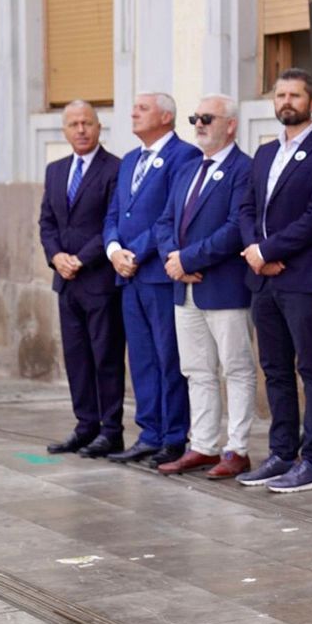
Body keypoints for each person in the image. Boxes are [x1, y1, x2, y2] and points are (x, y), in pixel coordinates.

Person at [235, 68, 312, 493]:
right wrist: (254, 251)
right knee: (275, 369)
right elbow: (246, 208)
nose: (286, 101)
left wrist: (268, 251)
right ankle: (281, 454)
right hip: (263, 281)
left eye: (295, 95)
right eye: (280, 95)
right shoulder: (265, 152)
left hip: (304, 279)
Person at [152, 94, 257, 479]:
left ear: (230, 124)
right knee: (196, 370)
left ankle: (237, 449)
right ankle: (204, 445)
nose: (198, 124)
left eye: (207, 118)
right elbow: (164, 221)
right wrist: (173, 260)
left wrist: (189, 260)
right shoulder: (187, 169)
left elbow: (235, 228)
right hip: (185, 288)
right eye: (195, 118)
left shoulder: (243, 169)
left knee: (236, 368)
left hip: (225, 287)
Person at [102, 92, 201, 468]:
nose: (133, 113)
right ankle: (149, 433)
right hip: (128, 277)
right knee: (142, 358)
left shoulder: (184, 156)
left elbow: (169, 215)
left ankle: (174, 437)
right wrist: (114, 250)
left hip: (158, 274)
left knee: (168, 357)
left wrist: (136, 254)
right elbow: (114, 213)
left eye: (142, 109)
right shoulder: (129, 159)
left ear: (165, 117)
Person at [39, 100, 126, 459]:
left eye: (87, 123)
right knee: (76, 357)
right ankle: (85, 425)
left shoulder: (115, 168)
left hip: (99, 280)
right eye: (73, 124)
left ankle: (111, 430)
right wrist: (56, 256)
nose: (81, 130)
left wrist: (81, 258)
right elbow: (47, 222)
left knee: (106, 356)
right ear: (64, 130)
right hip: (66, 282)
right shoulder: (55, 170)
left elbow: (112, 222)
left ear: (99, 127)